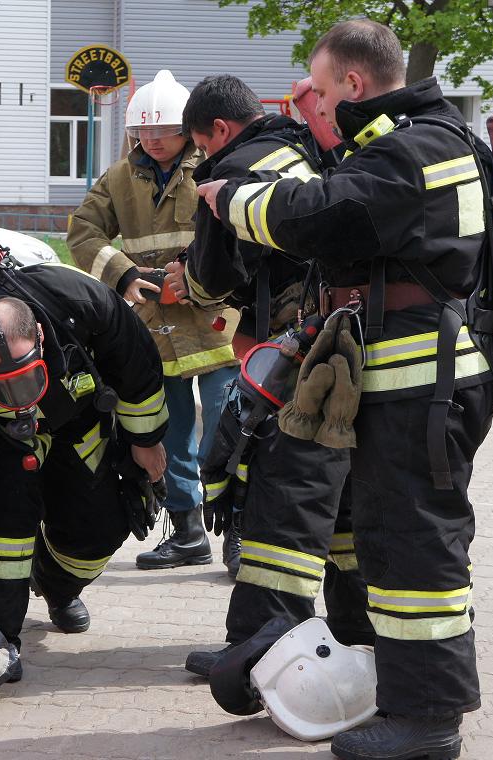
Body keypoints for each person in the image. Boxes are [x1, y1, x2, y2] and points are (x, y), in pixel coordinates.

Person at [199, 20, 493, 759]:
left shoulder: (422, 148)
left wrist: (229, 197)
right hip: (400, 383)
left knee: (413, 549)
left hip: (421, 384)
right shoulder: (404, 144)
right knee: (375, 539)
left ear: (356, 85)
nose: (318, 101)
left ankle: (428, 717)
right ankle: (384, 679)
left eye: (325, 89)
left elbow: (323, 216)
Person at [168, 74, 373, 677]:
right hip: (361, 342)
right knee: (348, 496)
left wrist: (188, 281)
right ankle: (355, 628)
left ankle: (259, 646)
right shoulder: (309, 147)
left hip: (297, 355)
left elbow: (208, 280)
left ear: (221, 132)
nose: (204, 158)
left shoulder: (228, 173)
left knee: (279, 494)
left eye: (202, 145)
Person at [0, 221, 169, 680]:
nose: (21, 398)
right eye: (4, 387)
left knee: (98, 530)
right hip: (1, 444)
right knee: (0, 539)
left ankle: (58, 587)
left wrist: (146, 441)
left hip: (79, 430)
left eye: (27, 380)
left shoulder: (77, 298)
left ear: (42, 341)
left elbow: (137, 366)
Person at [68, 69, 238, 571]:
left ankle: (239, 529)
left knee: (227, 432)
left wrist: (198, 278)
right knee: (168, 433)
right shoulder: (119, 178)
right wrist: (121, 276)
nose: (152, 139)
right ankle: (187, 532)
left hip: (216, 325)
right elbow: (82, 233)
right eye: (143, 131)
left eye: (162, 129)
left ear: (187, 129)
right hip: (153, 329)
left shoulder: (214, 167)